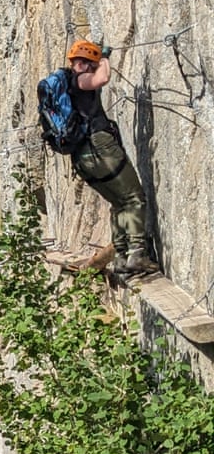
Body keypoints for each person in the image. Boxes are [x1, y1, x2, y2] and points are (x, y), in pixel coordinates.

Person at [65, 39, 158, 276]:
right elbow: (101, 79)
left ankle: (120, 257)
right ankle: (137, 253)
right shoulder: (79, 81)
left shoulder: (67, 86)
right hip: (100, 146)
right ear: (86, 63)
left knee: (119, 203)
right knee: (134, 198)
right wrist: (104, 59)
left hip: (82, 155)